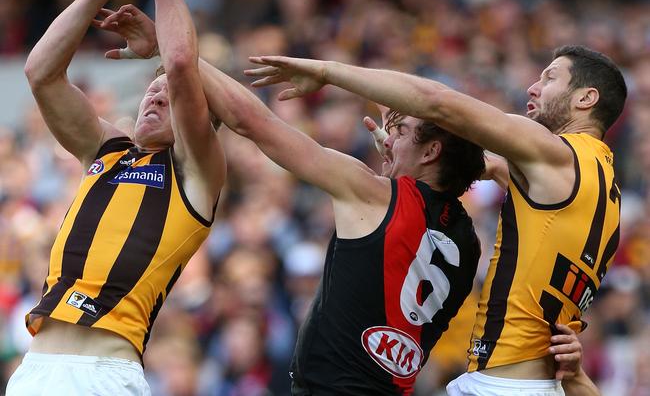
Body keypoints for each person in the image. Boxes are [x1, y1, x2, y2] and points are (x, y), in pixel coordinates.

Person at [90, 0, 486, 394]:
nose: (390, 138)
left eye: (401, 132)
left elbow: (252, 122)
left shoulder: (375, 194)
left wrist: (168, 48)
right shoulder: (469, 243)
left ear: (432, 152)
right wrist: (403, 162)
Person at [243, 46, 626, 395]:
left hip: (502, 383)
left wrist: (327, 71)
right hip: (532, 383)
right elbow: (483, 165)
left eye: (549, 77)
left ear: (586, 99)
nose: (532, 87)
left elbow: (437, 103)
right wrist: (403, 152)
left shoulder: (558, 156)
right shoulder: (601, 185)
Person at [6, 0, 225, 396]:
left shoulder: (196, 173)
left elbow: (183, 65)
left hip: (104, 374)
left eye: (170, 97)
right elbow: (40, 73)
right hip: (36, 369)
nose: (155, 96)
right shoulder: (107, 149)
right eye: (152, 88)